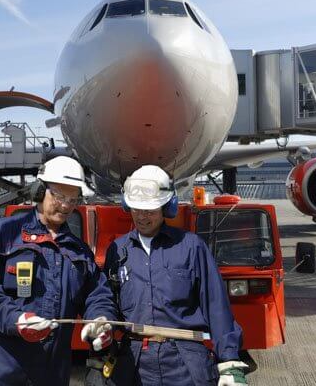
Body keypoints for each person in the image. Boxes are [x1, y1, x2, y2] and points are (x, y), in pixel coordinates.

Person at [0, 156, 117, 386]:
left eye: (73, 198)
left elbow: (97, 294)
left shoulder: (79, 251)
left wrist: (100, 319)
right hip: (1, 364)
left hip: (50, 370)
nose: (66, 205)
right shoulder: (3, 234)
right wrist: (15, 319)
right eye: (58, 196)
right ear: (39, 191)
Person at [102, 165, 248, 386]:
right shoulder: (117, 250)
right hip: (133, 362)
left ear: (166, 207)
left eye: (149, 210)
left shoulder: (191, 247)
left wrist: (229, 362)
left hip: (185, 362)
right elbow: (107, 301)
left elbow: (216, 305)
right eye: (136, 209)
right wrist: (100, 322)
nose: (142, 217)